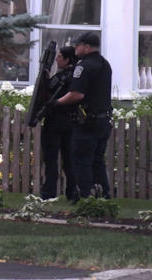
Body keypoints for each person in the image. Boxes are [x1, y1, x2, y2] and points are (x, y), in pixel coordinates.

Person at [47, 32, 112, 203]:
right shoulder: (105, 64)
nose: (75, 48)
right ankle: (102, 196)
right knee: (97, 160)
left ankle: (84, 198)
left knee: (81, 160)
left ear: (86, 47)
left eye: (78, 45)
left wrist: (56, 103)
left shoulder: (83, 67)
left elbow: (76, 94)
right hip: (103, 120)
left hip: (87, 122)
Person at [39, 46, 77, 200]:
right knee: (69, 159)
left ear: (67, 60)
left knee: (51, 158)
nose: (57, 59)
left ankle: (48, 193)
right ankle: (73, 193)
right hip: (71, 121)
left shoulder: (58, 78)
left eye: (60, 57)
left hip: (55, 120)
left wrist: (46, 79)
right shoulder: (77, 76)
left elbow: (46, 94)